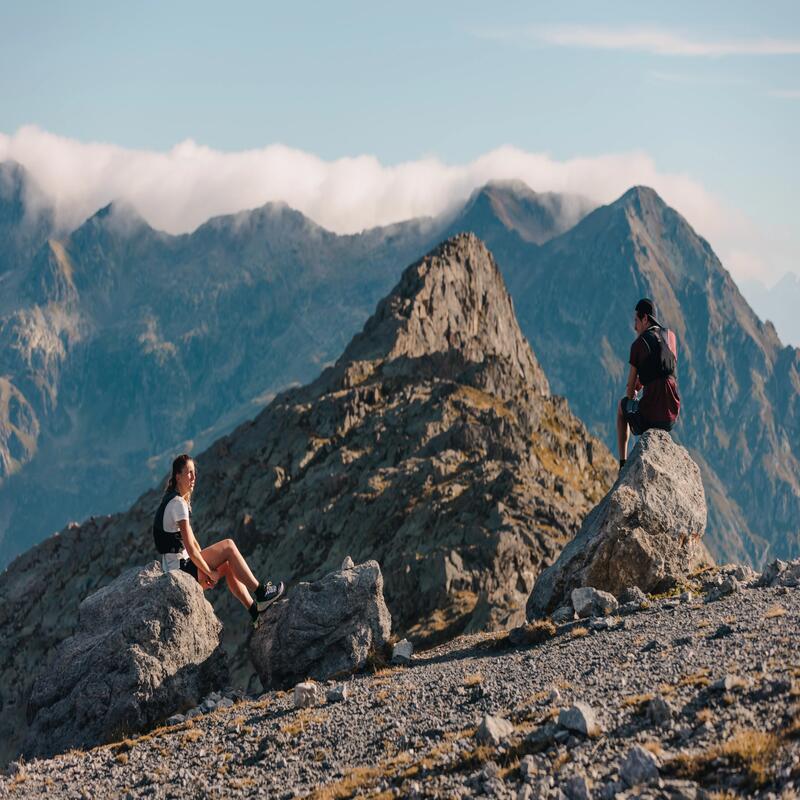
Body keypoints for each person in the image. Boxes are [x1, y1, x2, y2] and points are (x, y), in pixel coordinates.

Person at [153, 453, 284, 628]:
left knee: (228, 565)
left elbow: (194, 543)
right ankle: (261, 593)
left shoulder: (174, 501)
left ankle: (255, 612)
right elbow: (191, 550)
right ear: (178, 476)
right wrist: (208, 571)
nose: (193, 477)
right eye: (188, 473)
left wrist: (204, 570)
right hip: (179, 571)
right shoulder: (177, 504)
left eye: (194, 473)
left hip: (176, 569)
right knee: (229, 546)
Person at [616, 298, 681, 471]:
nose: (635, 326)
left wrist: (635, 387)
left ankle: (622, 463)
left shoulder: (638, 344)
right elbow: (662, 369)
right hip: (672, 415)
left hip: (652, 415)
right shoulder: (671, 337)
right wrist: (643, 381)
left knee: (622, 407)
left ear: (645, 319)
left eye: (636, 321)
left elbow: (630, 392)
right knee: (649, 402)